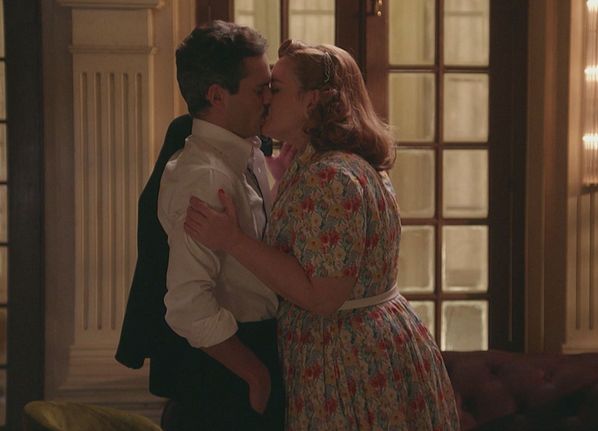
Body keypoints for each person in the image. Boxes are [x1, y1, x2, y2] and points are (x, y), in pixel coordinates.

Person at [184, 39, 460, 430]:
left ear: (311, 101)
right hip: (353, 351)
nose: (266, 98)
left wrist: (232, 240)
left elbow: (323, 296)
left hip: (349, 363)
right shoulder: (321, 163)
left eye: (277, 88)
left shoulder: (331, 176)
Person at [116, 21, 288, 431]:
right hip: (227, 369)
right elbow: (188, 304)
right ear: (216, 96)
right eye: (259, 89)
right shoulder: (205, 177)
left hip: (258, 347)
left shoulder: (249, 153)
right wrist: (255, 375)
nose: (269, 98)